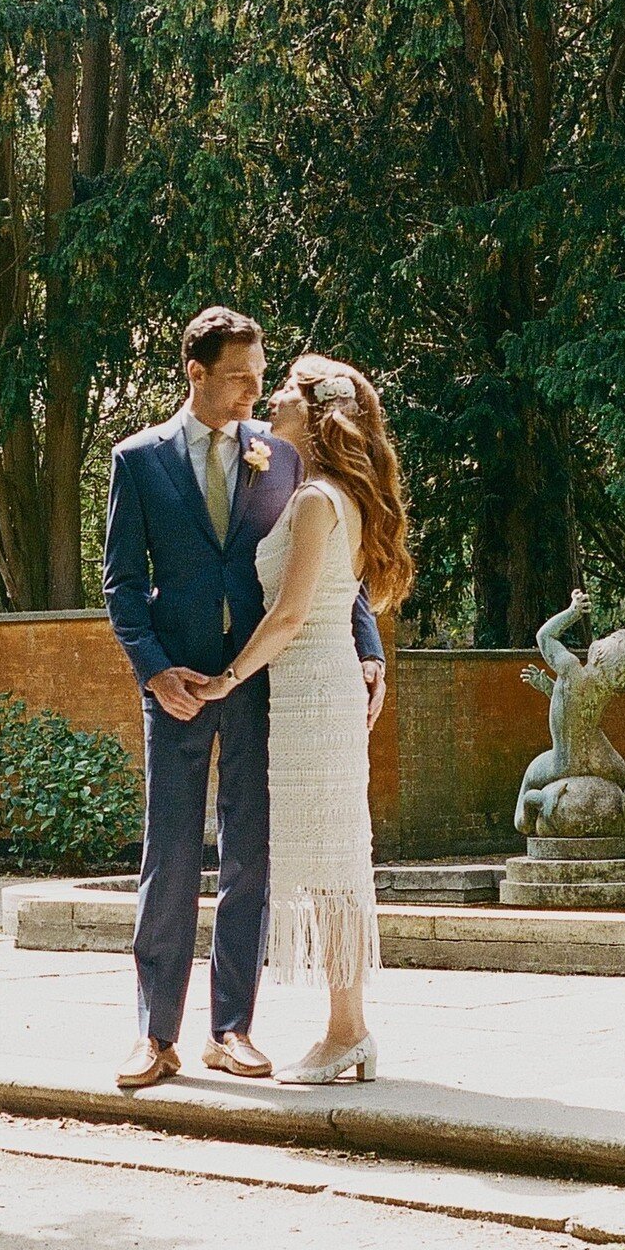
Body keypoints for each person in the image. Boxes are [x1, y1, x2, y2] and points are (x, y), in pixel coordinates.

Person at [103, 312, 386, 1092]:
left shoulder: (281, 454)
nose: (254, 394)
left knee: (250, 859)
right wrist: (157, 672)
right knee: (168, 858)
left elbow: (329, 565)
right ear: (195, 373)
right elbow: (123, 586)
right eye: (240, 379)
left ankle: (232, 1030)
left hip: (263, 682)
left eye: (263, 379)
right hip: (181, 688)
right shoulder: (139, 460)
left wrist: (368, 647)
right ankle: (155, 1037)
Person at [191, 354, 413, 1083]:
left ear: (317, 415)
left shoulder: (319, 499)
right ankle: (350, 1030)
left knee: (335, 866)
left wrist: (227, 677)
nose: (271, 400)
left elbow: (289, 614)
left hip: (314, 686)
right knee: (332, 865)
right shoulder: (328, 491)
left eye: (285, 391)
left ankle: (347, 1030)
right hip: (311, 689)